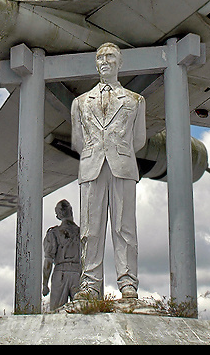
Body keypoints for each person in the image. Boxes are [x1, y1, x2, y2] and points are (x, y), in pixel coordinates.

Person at [71, 43, 146, 300]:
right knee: (90, 229)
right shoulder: (80, 102)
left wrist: (117, 150)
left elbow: (139, 139)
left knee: (124, 227)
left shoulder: (135, 100)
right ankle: (90, 284)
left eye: (111, 56)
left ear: (120, 63)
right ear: (96, 63)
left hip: (122, 165)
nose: (105, 61)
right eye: (101, 57)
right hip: (92, 166)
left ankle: (128, 284)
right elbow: (78, 140)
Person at [42, 200, 81, 311]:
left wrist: (45, 284)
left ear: (58, 215)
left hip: (60, 274)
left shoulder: (53, 233)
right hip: (78, 273)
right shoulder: (81, 232)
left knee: (56, 313)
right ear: (71, 211)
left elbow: (48, 261)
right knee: (80, 312)